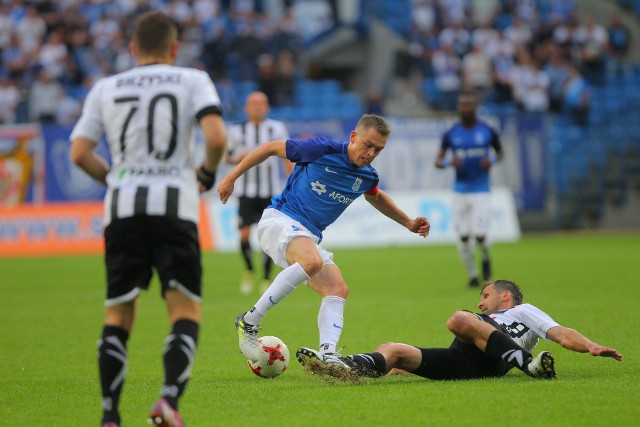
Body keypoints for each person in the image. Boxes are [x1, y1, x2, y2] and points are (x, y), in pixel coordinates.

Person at [69, 11, 226, 427]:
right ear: (175, 49)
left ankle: (109, 415)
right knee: (185, 310)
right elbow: (216, 138)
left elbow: (79, 152)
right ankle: (168, 400)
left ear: (132, 49)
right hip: (175, 207)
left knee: (119, 315)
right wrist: (206, 175)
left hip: (122, 210)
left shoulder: (106, 87)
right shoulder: (192, 79)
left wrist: (115, 181)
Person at [218, 114, 431, 366]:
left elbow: (375, 196)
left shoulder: (366, 176)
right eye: (368, 145)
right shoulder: (320, 149)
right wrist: (231, 177)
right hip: (280, 219)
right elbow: (270, 148)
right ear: (354, 136)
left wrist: (408, 222)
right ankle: (250, 321)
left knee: (337, 289)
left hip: (308, 235)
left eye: (378, 149)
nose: (371, 153)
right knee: (312, 260)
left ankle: (328, 355)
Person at [297, 279, 623, 380]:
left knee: (459, 318)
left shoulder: (524, 311)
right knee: (393, 350)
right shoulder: (478, 319)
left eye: (486, 296)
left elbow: (562, 333)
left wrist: (592, 346)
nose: (482, 302)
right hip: (464, 359)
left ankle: (527, 365)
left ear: (505, 296)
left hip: (495, 360)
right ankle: (342, 366)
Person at [226, 91, 293, 295]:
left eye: (261, 103)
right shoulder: (236, 130)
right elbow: (226, 157)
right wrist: (239, 158)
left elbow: (288, 156)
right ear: (246, 107)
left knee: (269, 236)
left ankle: (265, 277)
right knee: (244, 235)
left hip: (269, 190)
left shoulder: (277, 128)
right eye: (253, 104)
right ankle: (249, 269)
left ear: (267, 107)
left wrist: (291, 183)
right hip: (246, 191)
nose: (257, 107)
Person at [434, 91, 503, 288]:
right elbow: (438, 161)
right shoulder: (451, 134)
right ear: (458, 108)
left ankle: (486, 256)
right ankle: (473, 275)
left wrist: (492, 159)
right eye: (462, 105)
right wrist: (448, 162)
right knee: (463, 236)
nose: (465, 109)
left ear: (475, 108)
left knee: (479, 235)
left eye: (469, 105)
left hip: (481, 191)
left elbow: (500, 152)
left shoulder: (487, 131)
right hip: (460, 191)